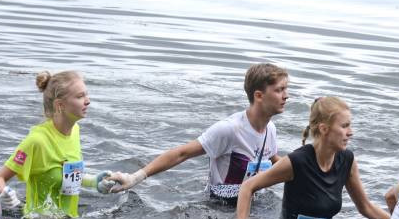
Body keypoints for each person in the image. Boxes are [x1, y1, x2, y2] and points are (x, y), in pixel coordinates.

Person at [107, 63, 289, 204]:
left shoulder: (270, 129)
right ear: (259, 96)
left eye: (285, 89)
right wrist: (135, 178)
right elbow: (181, 153)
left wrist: (309, 171)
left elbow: (271, 159)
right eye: (279, 90)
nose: (286, 96)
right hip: (221, 206)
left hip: (255, 202)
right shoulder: (229, 129)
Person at [233, 96, 393, 219]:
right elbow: (248, 186)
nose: (350, 133)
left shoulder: (347, 161)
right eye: (344, 126)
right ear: (324, 129)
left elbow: (366, 207)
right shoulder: (297, 161)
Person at [0, 71, 105, 219]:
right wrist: (4, 194)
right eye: (80, 96)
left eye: (86, 94)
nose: (88, 101)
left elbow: (65, 174)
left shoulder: (75, 131)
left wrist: (94, 182)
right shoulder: (36, 141)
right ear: (60, 105)